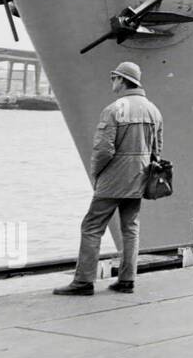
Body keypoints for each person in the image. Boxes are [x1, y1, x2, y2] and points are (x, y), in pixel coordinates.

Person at [54, 61, 163, 296]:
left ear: (123, 80)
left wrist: (96, 173)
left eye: (113, 78)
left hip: (113, 180)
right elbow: (158, 149)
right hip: (139, 178)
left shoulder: (115, 109)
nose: (112, 82)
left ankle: (83, 281)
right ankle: (127, 280)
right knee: (130, 228)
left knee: (92, 227)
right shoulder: (153, 110)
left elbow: (104, 150)